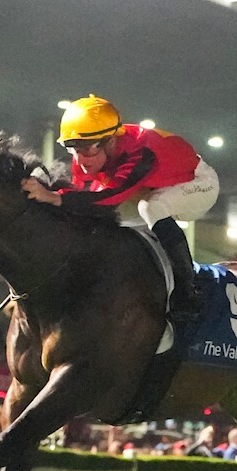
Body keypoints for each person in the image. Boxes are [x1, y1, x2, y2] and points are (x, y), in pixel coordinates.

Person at [20, 95, 219, 321]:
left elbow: (108, 198)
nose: (81, 159)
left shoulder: (140, 153)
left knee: (151, 207)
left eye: (88, 148)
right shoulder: (87, 157)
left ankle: (187, 289)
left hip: (198, 184)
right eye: (73, 148)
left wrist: (53, 196)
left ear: (111, 141)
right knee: (105, 219)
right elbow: (83, 202)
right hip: (151, 188)